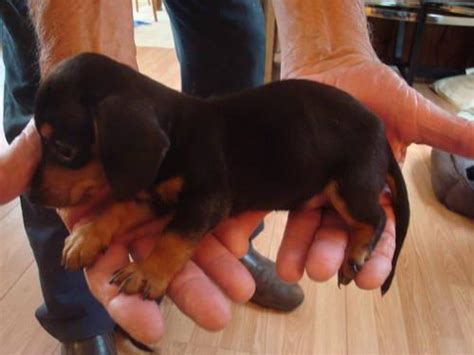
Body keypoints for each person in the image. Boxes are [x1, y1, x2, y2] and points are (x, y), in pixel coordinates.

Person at [1, 0, 473, 354]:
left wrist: (159, 265)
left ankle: (338, 233)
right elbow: (144, 194)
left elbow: (197, 203)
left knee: (232, 35)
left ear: (124, 140)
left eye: (61, 150)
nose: (42, 181)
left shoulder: (160, 151)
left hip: (335, 156)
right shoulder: (150, 147)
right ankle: (81, 317)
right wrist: (99, 224)